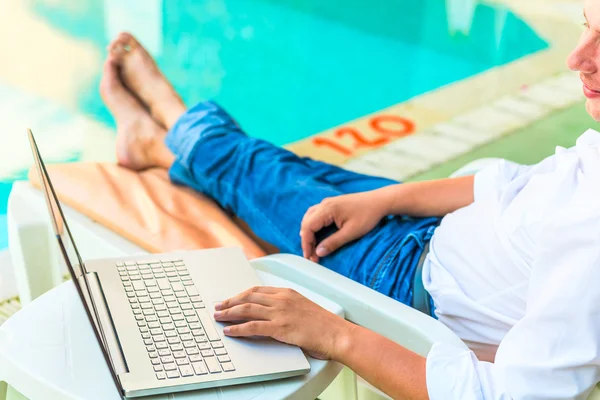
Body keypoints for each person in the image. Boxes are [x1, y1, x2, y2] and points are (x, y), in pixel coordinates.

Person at [99, 1, 600, 397]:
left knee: (257, 173)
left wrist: (333, 334)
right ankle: (153, 144)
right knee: (286, 170)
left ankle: (167, 114)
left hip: (406, 282)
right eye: (585, 24)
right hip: (428, 228)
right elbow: (512, 183)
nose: (575, 57)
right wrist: (385, 198)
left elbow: (503, 395)